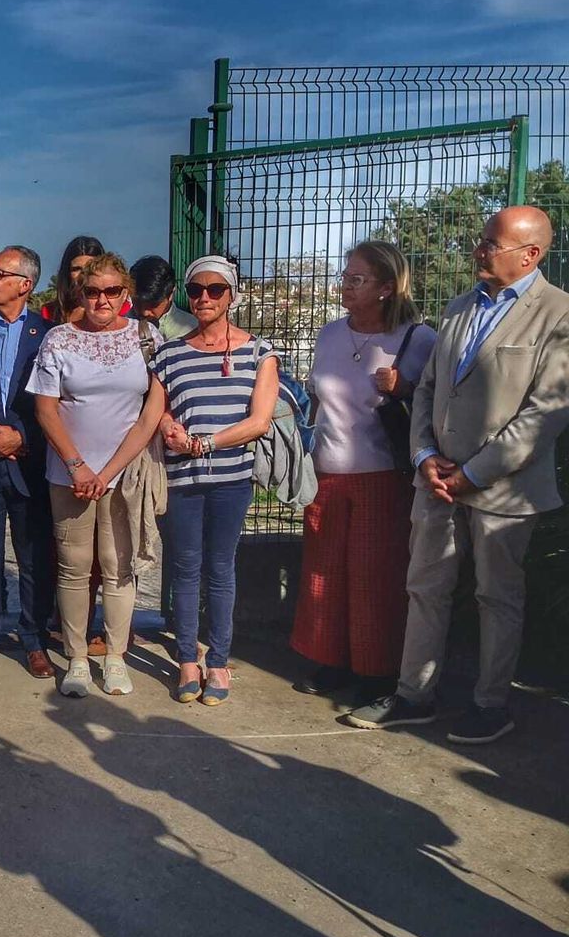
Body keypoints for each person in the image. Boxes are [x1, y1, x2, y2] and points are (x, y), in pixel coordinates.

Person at [349, 206, 569, 744]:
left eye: (491, 243)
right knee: (425, 587)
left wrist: (473, 472)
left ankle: (491, 705)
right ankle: (413, 695)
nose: (478, 250)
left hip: (503, 488)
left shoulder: (558, 315)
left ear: (530, 254)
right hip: (438, 481)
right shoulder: (460, 307)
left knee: (497, 597)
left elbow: (545, 413)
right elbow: (426, 389)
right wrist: (425, 454)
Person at [291, 242, 435, 703]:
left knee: (375, 576)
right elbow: (318, 400)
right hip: (326, 474)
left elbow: (437, 406)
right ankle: (330, 661)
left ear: (386, 288)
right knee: (323, 573)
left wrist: (404, 387)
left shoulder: (419, 339)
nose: (345, 286)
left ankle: (377, 672)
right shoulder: (330, 335)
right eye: (345, 276)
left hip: (382, 476)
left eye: (357, 279)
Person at [31, 254, 167, 697]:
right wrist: (77, 465)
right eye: (93, 291)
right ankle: (75, 659)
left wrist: (107, 471)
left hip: (124, 474)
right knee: (73, 568)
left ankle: (114, 656)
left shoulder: (148, 337)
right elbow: (45, 408)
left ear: (126, 295)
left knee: (118, 567)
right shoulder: (58, 340)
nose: (102, 300)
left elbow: (151, 414)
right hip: (69, 474)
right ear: (80, 294)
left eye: (112, 291)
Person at [150, 255, 279, 705]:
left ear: (231, 294)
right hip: (182, 479)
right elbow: (159, 409)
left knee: (221, 568)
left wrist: (205, 443)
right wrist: (170, 429)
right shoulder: (169, 353)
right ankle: (187, 659)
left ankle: (218, 661)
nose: (204, 298)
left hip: (231, 479)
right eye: (196, 290)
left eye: (215, 290)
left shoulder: (259, 352)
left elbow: (259, 421)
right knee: (185, 569)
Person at [0, 245, 57, 678]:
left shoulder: (50, 334)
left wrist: (22, 437)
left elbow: (60, 401)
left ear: (25, 285)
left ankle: (34, 638)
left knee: (34, 554)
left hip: (30, 461)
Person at [129, 256, 196, 341]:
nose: (145, 312)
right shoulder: (117, 327)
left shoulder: (191, 330)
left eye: (153, 304)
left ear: (171, 294)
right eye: (137, 302)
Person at [45, 235, 105, 324]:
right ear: (67, 272)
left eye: (90, 268)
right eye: (77, 269)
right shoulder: (50, 312)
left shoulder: (117, 309)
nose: (83, 275)